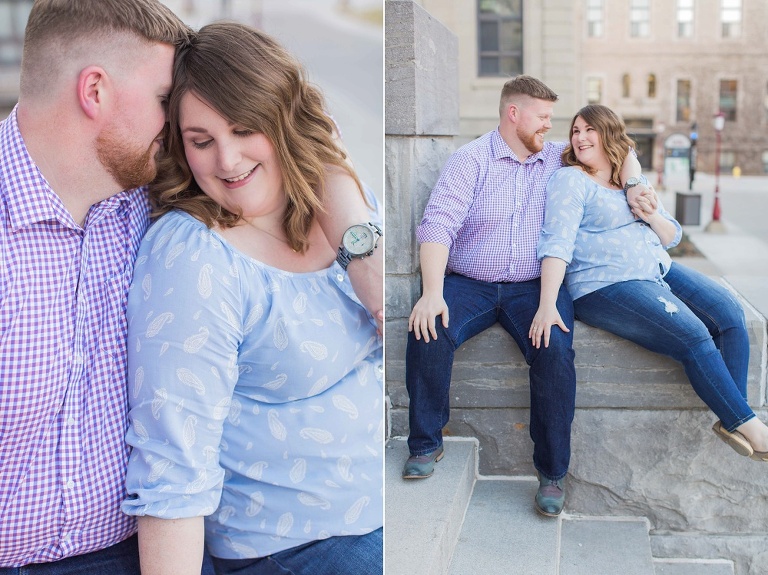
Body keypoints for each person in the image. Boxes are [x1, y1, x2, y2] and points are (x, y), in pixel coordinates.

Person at [120, 22, 383, 575]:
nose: (229, 161)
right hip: (294, 548)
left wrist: (332, 180)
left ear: (282, 118)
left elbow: (393, 313)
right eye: (201, 141)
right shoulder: (194, 256)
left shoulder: (338, 209)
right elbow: (173, 463)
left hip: (378, 509)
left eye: (245, 129)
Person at [403, 75, 648, 517]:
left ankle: (552, 474)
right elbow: (437, 225)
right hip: (470, 282)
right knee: (428, 328)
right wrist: (433, 292)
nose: (550, 128)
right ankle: (425, 444)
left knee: (554, 348)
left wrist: (634, 186)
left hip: (533, 287)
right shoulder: (469, 161)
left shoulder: (557, 158)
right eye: (542, 118)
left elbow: (622, 150)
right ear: (513, 114)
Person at [0, 1, 190, 571]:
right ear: (96, 91)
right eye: (165, 101)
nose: (178, 124)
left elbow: (281, 143)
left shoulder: (156, 199)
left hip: (138, 552)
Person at [531, 103, 768, 463]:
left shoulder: (632, 183)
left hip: (657, 269)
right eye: (575, 131)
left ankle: (735, 417)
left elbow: (672, 236)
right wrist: (547, 302)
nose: (579, 137)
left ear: (608, 133)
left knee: (730, 314)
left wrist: (650, 211)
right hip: (606, 283)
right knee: (692, 335)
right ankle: (752, 428)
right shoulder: (571, 180)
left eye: (588, 130)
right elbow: (557, 241)